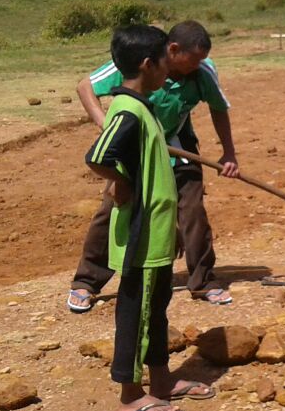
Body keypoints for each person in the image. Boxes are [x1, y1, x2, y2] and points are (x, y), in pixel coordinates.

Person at [85, 25, 215, 411]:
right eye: (163, 63)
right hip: (141, 234)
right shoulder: (128, 110)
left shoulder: (144, 107)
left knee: (156, 309)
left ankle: (161, 381)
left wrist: (171, 223)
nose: (168, 71)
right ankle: (130, 395)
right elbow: (98, 155)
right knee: (135, 312)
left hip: (157, 230)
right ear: (148, 64)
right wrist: (121, 183)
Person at [68, 20, 239, 311]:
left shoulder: (202, 71)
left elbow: (218, 107)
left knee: (193, 212)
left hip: (179, 148)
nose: (198, 65)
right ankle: (87, 281)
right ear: (172, 50)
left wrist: (229, 153)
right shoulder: (141, 62)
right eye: (193, 59)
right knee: (113, 209)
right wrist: (107, 126)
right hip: (136, 150)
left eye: (201, 60)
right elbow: (86, 87)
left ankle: (203, 281)